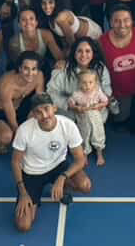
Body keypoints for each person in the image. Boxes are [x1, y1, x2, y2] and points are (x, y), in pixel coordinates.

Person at [12, 94, 92, 232]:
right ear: (33, 115)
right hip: (32, 173)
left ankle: (62, 188)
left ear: (54, 108)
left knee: (85, 186)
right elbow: (15, 162)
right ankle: (36, 193)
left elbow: (81, 159)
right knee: (23, 225)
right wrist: (23, 192)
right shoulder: (24, 130)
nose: (44, 115)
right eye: (38, 112)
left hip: (58, 166)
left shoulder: (68, 125)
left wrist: (62, 177)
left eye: (46, 109)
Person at [67, 65, 110, 166]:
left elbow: (105, 101)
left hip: (96, 120)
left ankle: (99, 153)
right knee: (84, 136)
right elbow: (70, 103)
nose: (87, 86)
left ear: (95, 83)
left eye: (90, 82)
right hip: (83, 120)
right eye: (84, 83)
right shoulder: (77, 94)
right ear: (79, 83)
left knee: (98, 135)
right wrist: (77, 107)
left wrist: (99, 105)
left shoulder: (97, 92)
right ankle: (85, 153)